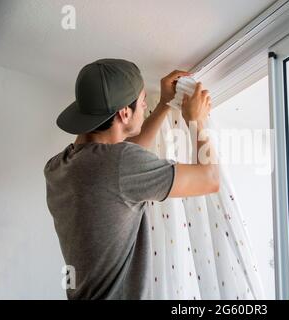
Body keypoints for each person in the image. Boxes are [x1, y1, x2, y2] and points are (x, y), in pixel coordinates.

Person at [44, 58, 219, 299]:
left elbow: (118, 166)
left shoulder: (57, 167)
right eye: (143, 100)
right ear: (124, 113)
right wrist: (197, 121)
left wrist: (163, 106)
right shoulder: (120, 164)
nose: (146, 103)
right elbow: (209, 179)